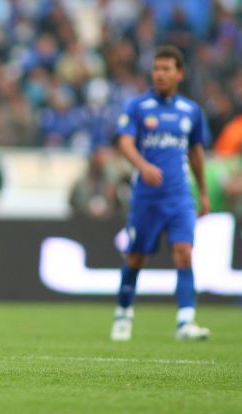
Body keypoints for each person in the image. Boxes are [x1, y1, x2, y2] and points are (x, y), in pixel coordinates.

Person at [111, 45, 210, 342]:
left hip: (179, 196)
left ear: (180, 73)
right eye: (156, 68)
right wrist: (143, 166)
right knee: (136, 256)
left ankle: (185, 322)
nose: (160, 74)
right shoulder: (138, 106)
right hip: (147, 198)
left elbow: (196, 152)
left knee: (184, 253)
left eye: (166, 69)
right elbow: (124, 142)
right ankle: (124, 313)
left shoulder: (191, 111)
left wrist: (203, 192)